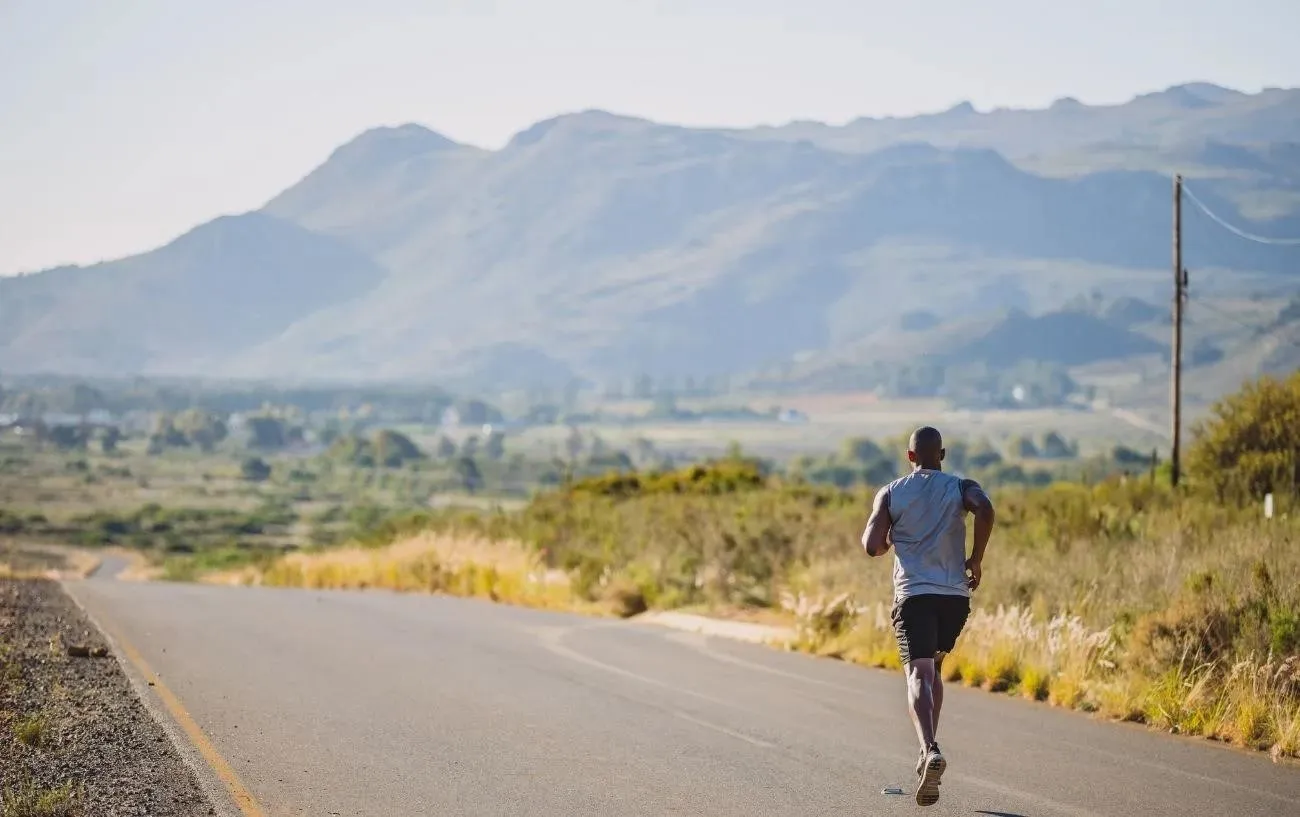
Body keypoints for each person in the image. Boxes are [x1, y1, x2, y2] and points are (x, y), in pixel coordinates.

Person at [860, 426, 995, 807]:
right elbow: (985, 508)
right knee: (932, 668)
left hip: (915, 596)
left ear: (910, 457)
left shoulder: (891, 491)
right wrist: (976, 558)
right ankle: (925, 755)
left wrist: (889, 537)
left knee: (917, 672)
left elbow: (872, 546)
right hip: (954, 598)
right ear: (943, 454)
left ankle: (928, 748)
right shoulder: (960, 486)